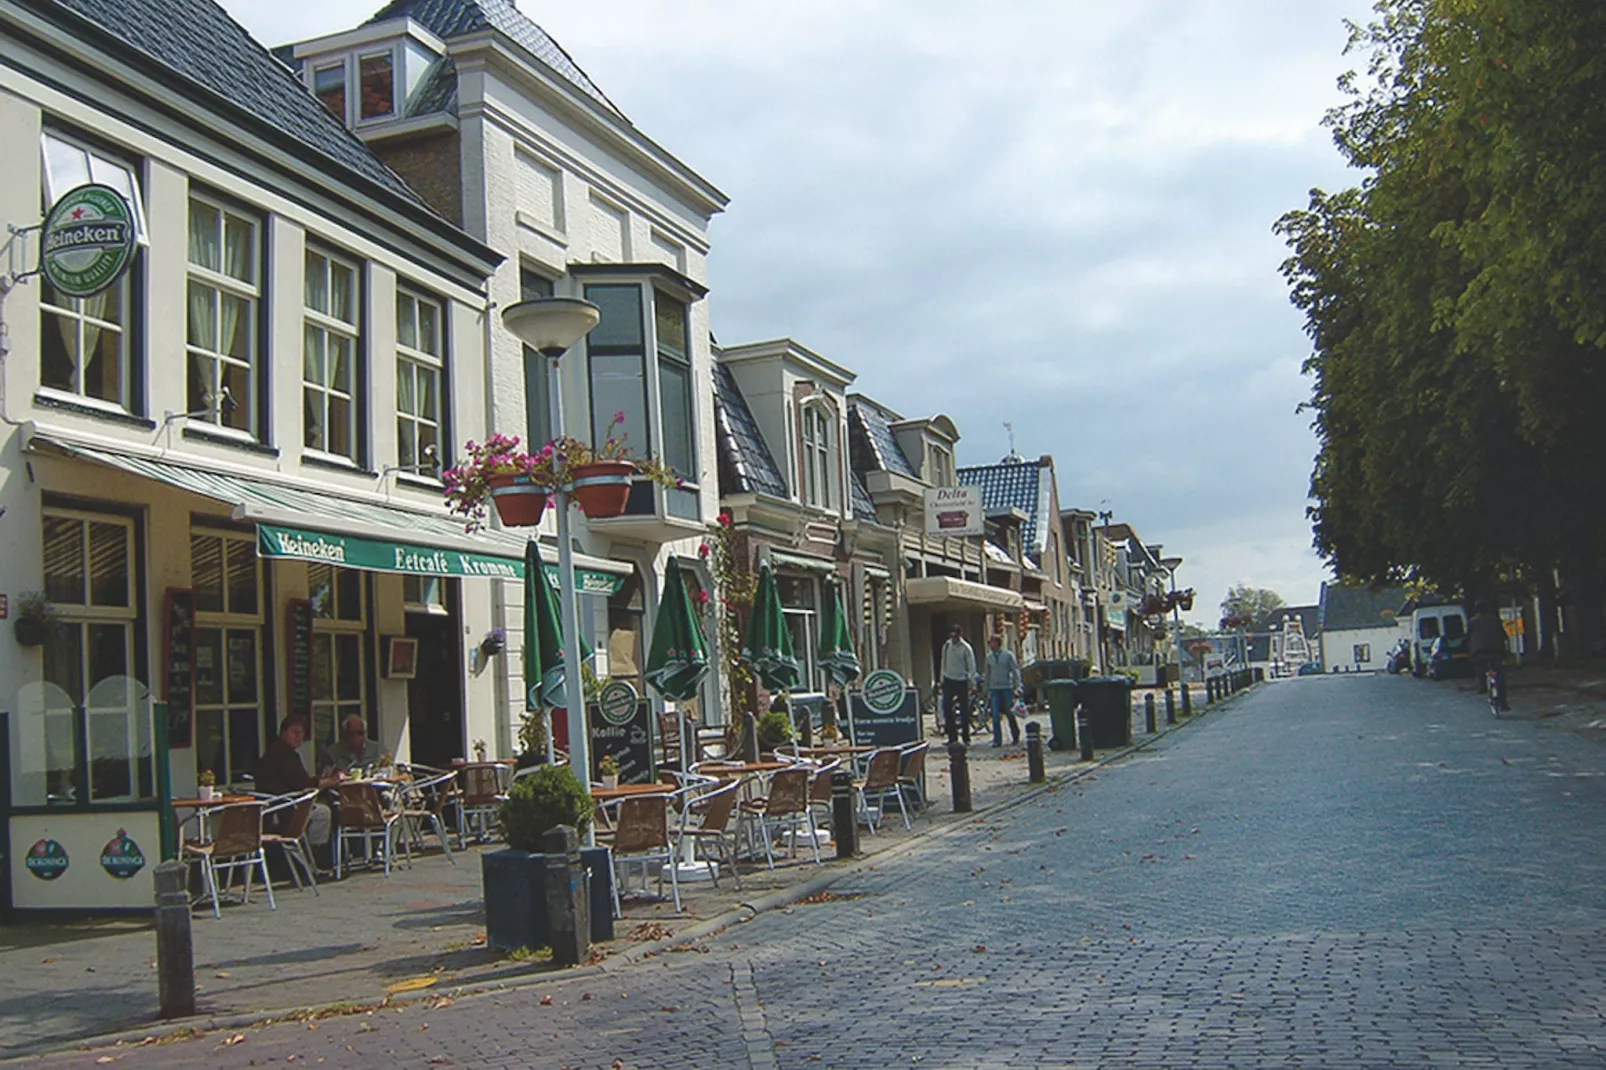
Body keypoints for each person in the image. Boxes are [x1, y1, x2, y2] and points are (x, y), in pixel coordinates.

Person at [256, 716, 338, 845]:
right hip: (283, 809)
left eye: (301, 733)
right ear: (283, 732)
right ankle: (315, 851)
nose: (298, 736)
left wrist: (321, 779)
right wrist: (332, 781)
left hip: (277, 806)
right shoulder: (283, 755)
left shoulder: (280, 751)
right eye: (294, 732)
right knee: (323, 813)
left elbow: (299, 781)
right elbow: (304, 787)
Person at [939, 624, 978, 745]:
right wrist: (941, 680)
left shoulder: (966, 648)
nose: (953, 638)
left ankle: (966, 737)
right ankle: (952, 737)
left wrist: (972, 682)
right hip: (948, 679)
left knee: (964, 709)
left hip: (962, 680)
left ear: (960, 635)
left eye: (956, 635)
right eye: (951, 635)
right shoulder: (946, 646)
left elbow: (971, 666)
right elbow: (943, 663)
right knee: (946, 707)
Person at [1467, 601, 1509, 710]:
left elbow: (1468, 637)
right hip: (1496, 650)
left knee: (1479, 665)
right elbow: (1504, 635)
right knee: (1499, 675)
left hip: (1479, 651)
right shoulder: (1495, 620)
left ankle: (1482, 684)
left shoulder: (1472, 622)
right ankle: (1503, 702)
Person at [984, 635, 1023, 747]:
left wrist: (1018, 686)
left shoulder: (1008, 655)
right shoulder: (989, 658)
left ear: (998, 643)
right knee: (995, 715)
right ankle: (997, 740)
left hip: (1007, 688)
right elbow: (987, 674)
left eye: (992, 642)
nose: (991, 645)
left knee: (1009, 713)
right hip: (994, 688)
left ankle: (1015, 734)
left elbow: (1015, 671)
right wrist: (986, 689)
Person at [318, 715, 383, 773]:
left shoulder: (377, 749)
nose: (356, 737)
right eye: (352, 733)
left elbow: (388, 768)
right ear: (345, 734)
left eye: (360, 733)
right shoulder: (332, 752)